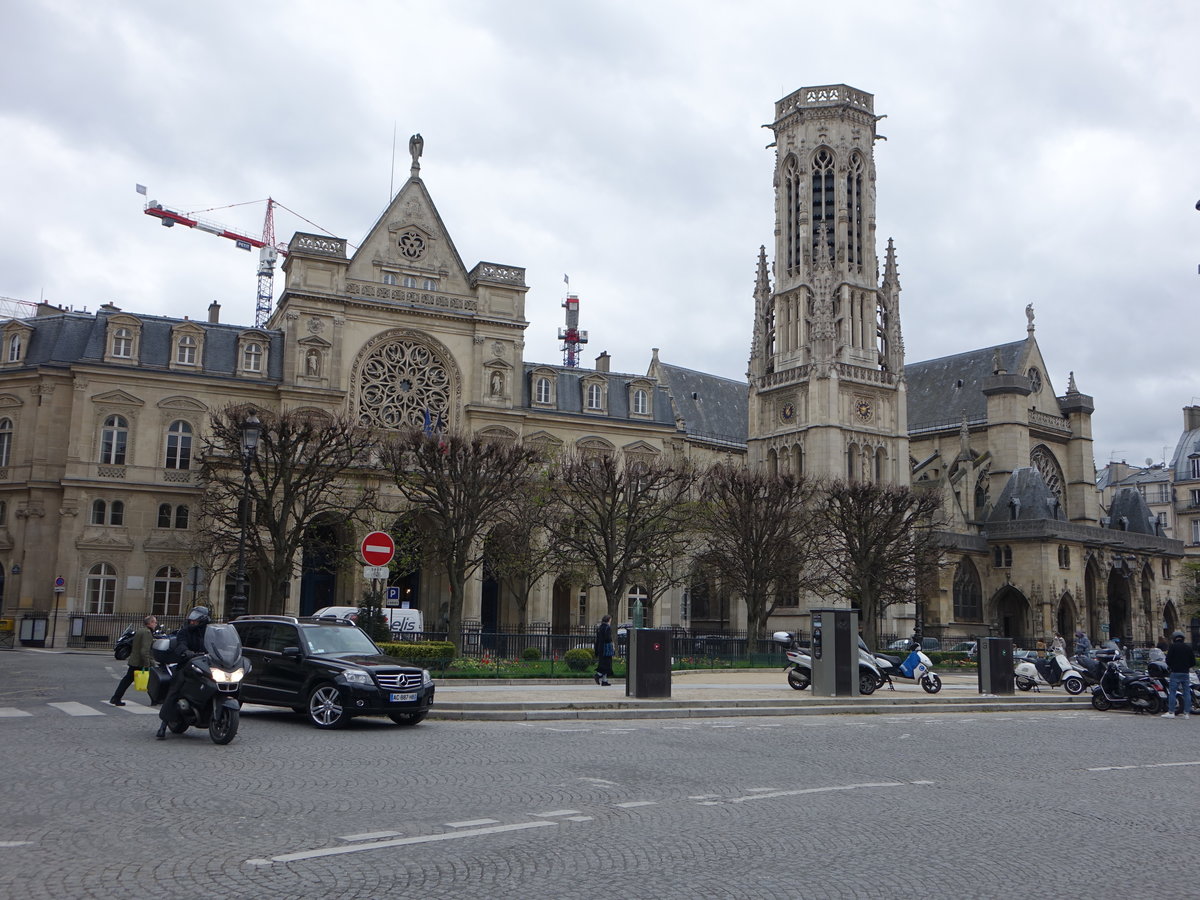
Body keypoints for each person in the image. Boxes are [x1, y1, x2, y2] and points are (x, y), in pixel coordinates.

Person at [156, 606, 211, 740]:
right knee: (176, 687)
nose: (192, 623)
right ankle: (163, 724)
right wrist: (186, 652)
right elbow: (181, 644)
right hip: (187, 663)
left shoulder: (210, 632)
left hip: (207, 663)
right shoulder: (184, 632)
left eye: (195, 621)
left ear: (203, 620)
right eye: (191, 621)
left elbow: (218, 643)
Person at [109, 615, 157, 706]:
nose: (156, 624)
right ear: (150, 623)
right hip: (141, 662)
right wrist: (147, 664)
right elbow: (144, 650)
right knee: (151, 681)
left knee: (127, 680)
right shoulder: (147, 632)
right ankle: (155, 699)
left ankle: (116, 697)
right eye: (155, 622)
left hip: (134, 660)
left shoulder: (140, 630)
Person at [1161, 631, 1196, 719]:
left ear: (1174, 639)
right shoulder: (1188, 648)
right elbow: (1193, 662)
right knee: (1187, 692)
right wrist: (1186, 666)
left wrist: (1172, 666)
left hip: (1175, 672)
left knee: (1172, 692)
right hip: (1185, 673)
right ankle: (1186, 713)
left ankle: (1171, 712)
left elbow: (1168, 660)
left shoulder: (1173, 647)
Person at [593, 615, 614, 687]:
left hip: (600, 648)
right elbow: (608, 638)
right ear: (608, 620)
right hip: (606, 649)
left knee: (603, 663)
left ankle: (604, 681)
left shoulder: (600, 627)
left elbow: (598, 639)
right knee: (607, 664)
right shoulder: (607, 628)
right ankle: (598, 675)